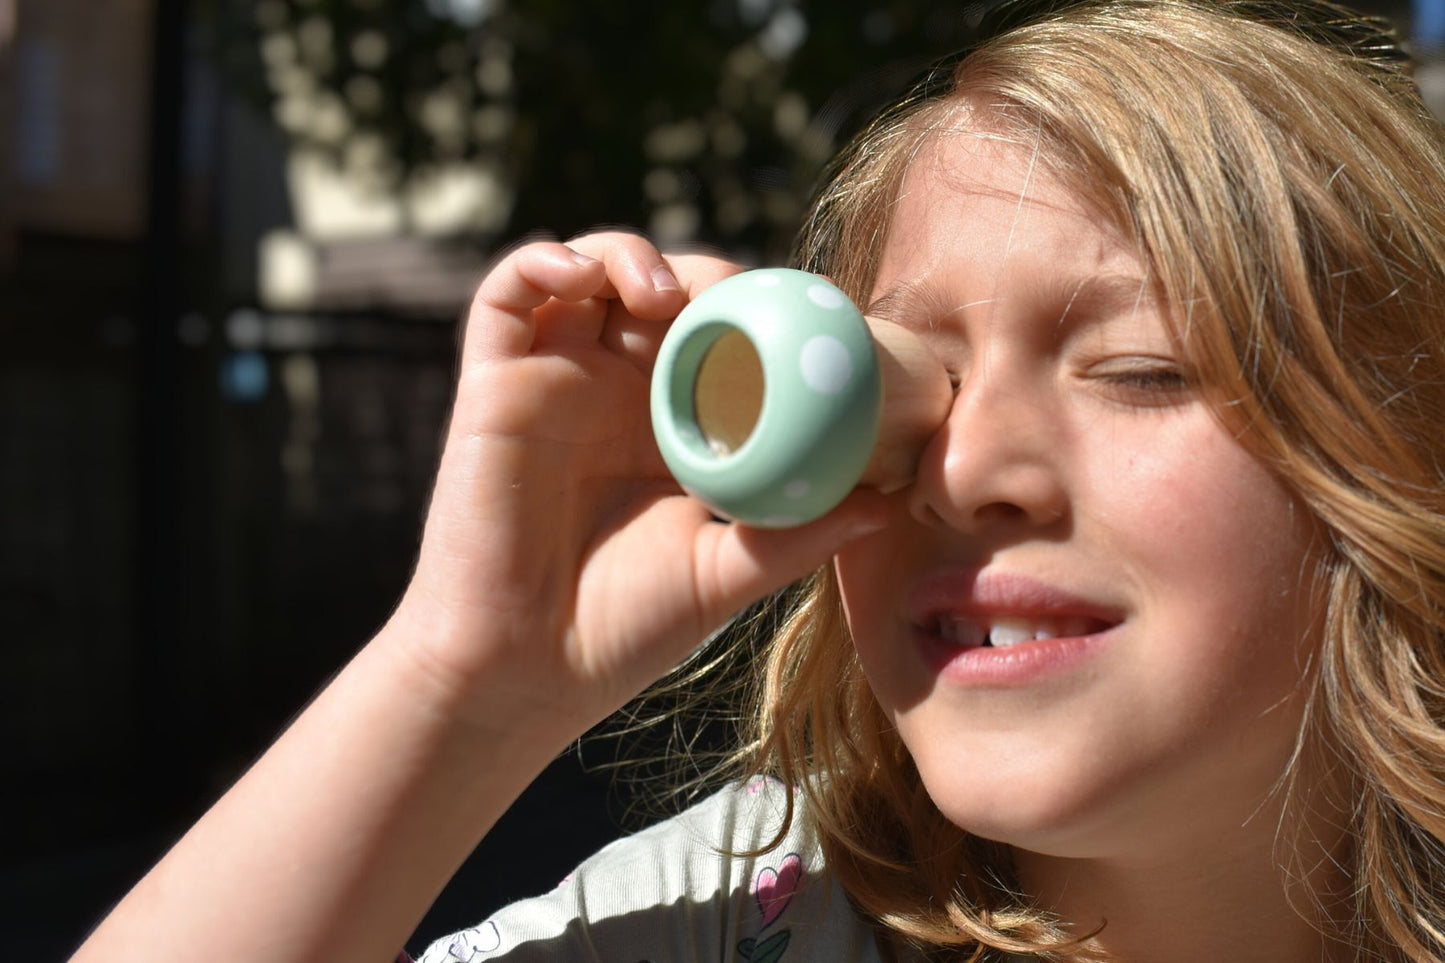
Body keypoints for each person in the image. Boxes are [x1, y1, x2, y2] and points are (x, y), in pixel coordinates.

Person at [70, 1, 1445, 961]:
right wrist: (466, 678)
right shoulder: (741, 919)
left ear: (1394, 448)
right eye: (909, 389)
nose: (962, 469)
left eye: (1140, 367)